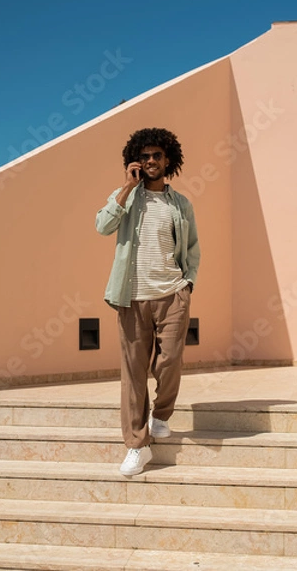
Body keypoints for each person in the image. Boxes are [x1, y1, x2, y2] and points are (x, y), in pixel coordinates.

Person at [96, 127, 200, 476]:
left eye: (157, 155)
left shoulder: (180, 204)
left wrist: (188, 284)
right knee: (133, 374)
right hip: (131, 297)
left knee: (170, 361)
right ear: (135, 161)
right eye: (144, 156)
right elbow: (102, 226)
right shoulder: (125, 197)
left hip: (172, 294)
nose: (150, 161)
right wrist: (126, 187)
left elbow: (192, 249)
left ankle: (162, 413)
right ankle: (137, 446)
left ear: (168, 160)